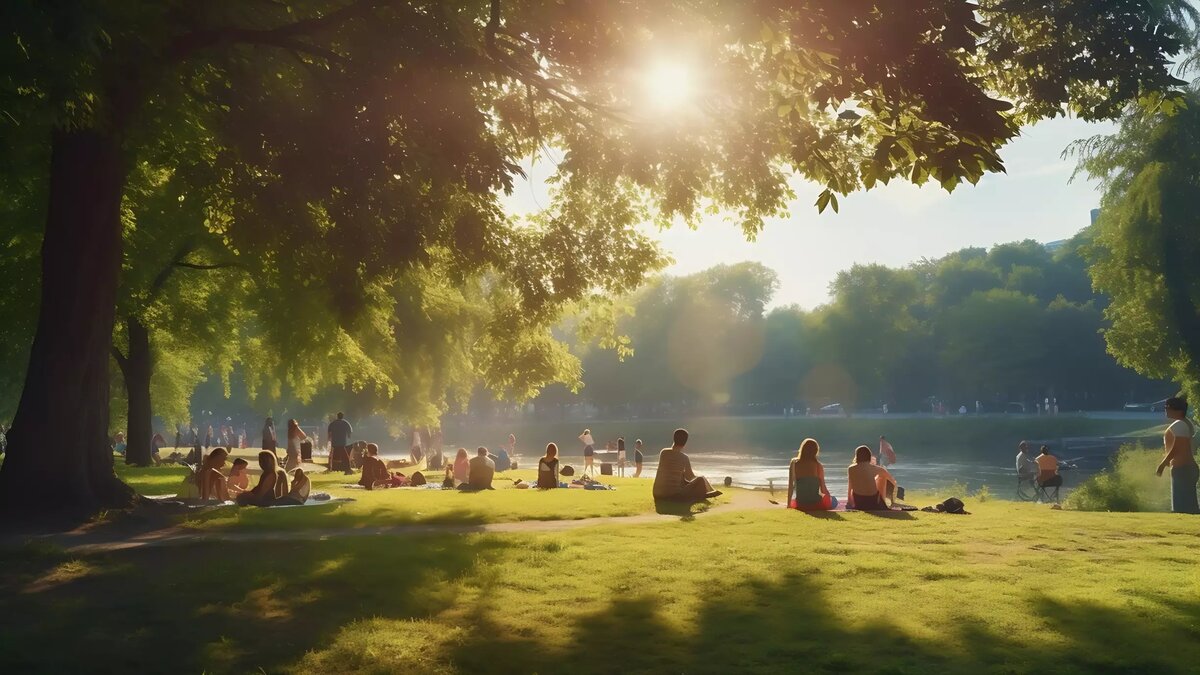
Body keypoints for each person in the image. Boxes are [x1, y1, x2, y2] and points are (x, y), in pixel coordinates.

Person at [1156, 397, 1199, 514]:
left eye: (1167, 408)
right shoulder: (1185, 423)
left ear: (1178, 410)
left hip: (1183, 468)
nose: (1166, 410)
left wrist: (1163, 464)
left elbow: (1177, 448)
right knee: (1187, 504)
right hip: (1186, 468)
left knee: (1183, 507)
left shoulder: (1180, 424)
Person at [653, 428, 720, 502]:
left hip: (657, 493)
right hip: (673, 495)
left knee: (683, 476)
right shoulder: (684, 457)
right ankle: (710, 492)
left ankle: (708, 492)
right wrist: (703, 481)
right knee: (701, 479)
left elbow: (670, 470)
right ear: (685, 443)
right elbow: (690, 477)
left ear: (674, 439)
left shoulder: (663, 452)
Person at [788, 438, 838, 510]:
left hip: (801, 503)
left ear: (802, 449)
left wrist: (788, 504)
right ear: (816, 451)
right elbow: (823, 490)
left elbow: (790, 486)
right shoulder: (818, 465)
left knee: (794, 502)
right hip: (816, 504)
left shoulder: (794, 463)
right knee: (834, 500)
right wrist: (829, 499)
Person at [847, 445, 896, 510]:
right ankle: (882, 502)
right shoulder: (875, 468)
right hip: (873, 502)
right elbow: (892, 481)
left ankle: (880, 501)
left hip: (859, 501)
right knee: (882, 478)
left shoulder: (851, 468)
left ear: (857, 456)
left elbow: (850, 485)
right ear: (869, 456)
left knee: (859, 480)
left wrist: (849, 499)